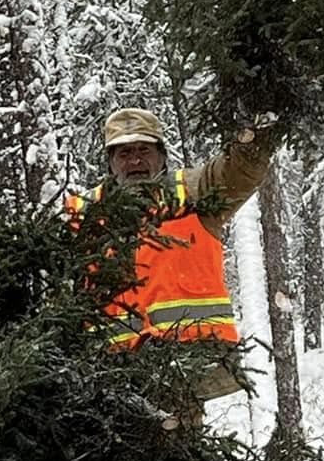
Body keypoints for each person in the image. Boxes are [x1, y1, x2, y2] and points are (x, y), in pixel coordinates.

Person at [65, 107, 275, 421]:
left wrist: (255, 136)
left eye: (143, 150)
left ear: (162, 156)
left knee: (177, 454)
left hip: (183, 366)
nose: (135, 161)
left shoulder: (193, 192)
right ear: (110, 162)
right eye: (124, 153)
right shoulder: (82, 212)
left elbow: (240, 171)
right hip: (109, 373)